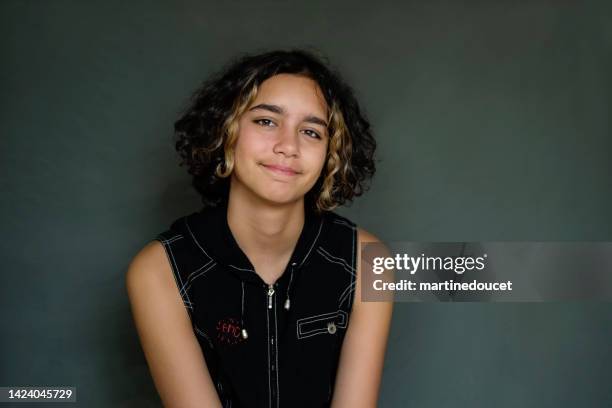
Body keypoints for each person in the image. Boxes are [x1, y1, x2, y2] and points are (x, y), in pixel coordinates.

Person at [126, 49, 393, 408]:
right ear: (226, 130)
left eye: (311, 131)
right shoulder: (158, 270)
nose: (288, 146)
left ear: (332, 153)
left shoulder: (367, 263)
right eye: (266, 121)